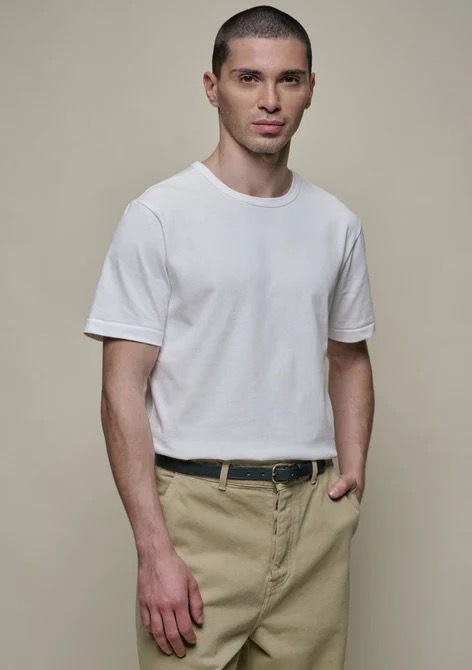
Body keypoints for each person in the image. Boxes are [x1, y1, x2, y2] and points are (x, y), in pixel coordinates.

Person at [83, 5, 376, 669]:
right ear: (213, 87)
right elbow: (121, 389)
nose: (270, 100)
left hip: (313, 518)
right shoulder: (159, 216)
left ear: (310, 89)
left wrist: (352, 472)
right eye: (249, 78)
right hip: (196, 515)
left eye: (288, 79)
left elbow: (350, 357)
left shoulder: (336, 224)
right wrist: (153, 548)